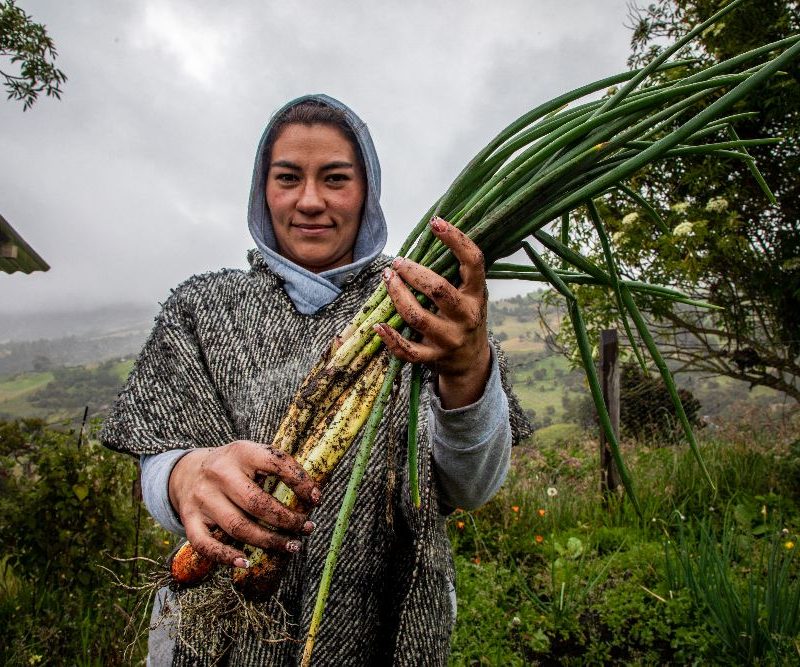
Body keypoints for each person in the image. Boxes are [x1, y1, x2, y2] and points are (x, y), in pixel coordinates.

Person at [102, 94, 530, 666]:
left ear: (367, 192)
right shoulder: (202, 308)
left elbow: (470, 487)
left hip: (385, 627)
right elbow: (158, 459)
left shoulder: (426, 307)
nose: (310, 201)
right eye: (287, 178)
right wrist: (186, 475)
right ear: (263, 191)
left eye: (335, 179)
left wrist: (465, 367)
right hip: (212, 630)